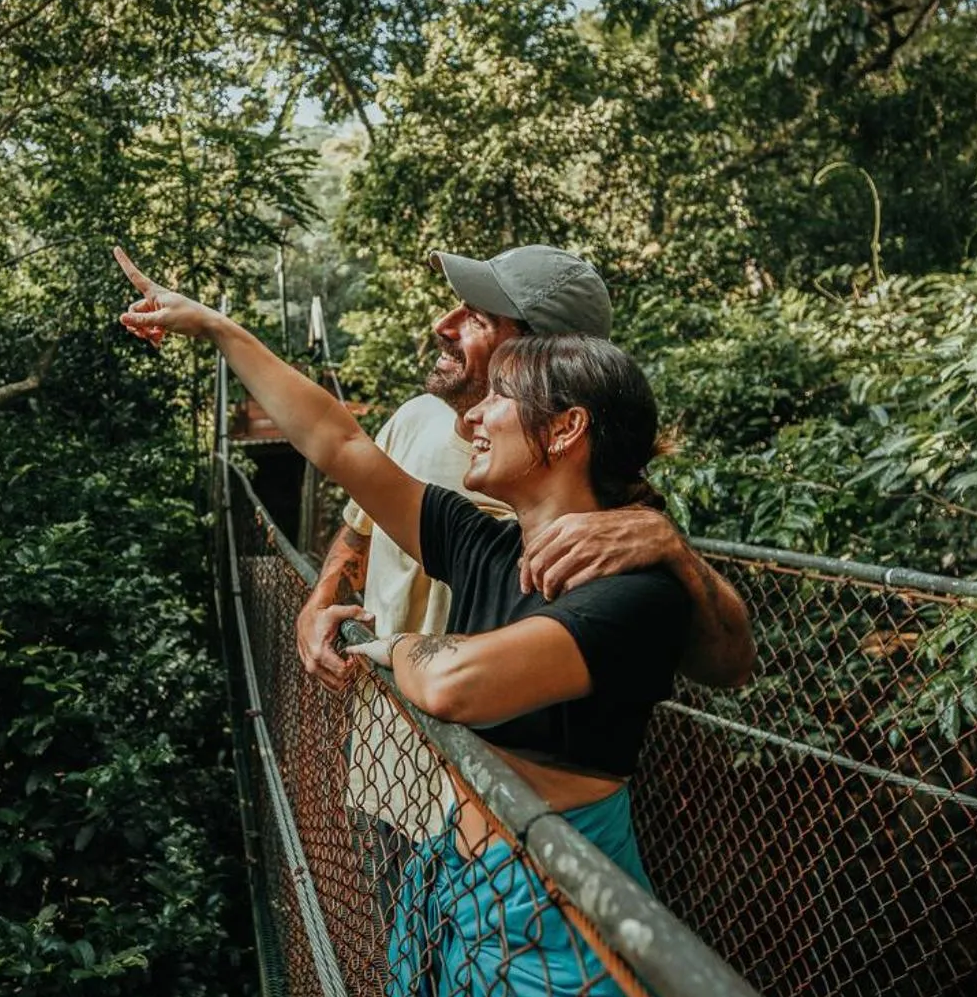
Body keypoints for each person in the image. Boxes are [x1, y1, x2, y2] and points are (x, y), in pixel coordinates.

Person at [115, 247, 719, 997]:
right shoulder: (480, 544)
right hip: (458, 869)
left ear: (563, 432)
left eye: (496, 401)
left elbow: (450, 682)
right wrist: (217, 327)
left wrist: (382, 642)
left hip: (557, 900)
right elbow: (341, 444)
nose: (471, 416)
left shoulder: (637, 586)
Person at [297, 244, 753, 700]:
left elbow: (727, 664)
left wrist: (672, 547)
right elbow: (359, 533)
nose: (442, 326)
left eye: (477, 319)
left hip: (483, 757)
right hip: (379, 734)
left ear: (542, 353)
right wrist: (318, 605)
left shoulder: (594, 504)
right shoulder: (413, 418)